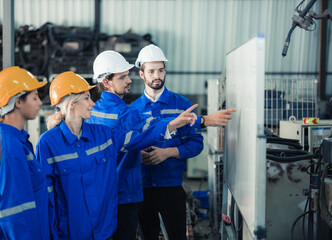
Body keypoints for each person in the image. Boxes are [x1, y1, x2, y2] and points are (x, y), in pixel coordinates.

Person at [36, 71, 198, 240]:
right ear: (71, 104)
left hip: (103, 230)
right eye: (86, 98)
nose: (92, 103)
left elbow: (139, 137)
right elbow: (44, 196)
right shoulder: (48, 143)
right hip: (69, 232)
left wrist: (171, 125)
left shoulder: (103, 135)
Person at [131, 44, 237, 240]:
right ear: (141, 74)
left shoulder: (182, 105)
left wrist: (168, 152)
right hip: (141, 188)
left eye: (161, 70)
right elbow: (126, 146)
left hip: (171, 187)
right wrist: (138, 156)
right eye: (151, 71)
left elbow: (196, 143)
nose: (157, 75)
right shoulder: (132, 110)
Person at [0, 66, 49, 239]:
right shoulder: (9, 146)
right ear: (18, 102)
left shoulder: (18, 140)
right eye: (35, 97)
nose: (40, 103)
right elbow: (14, 212)